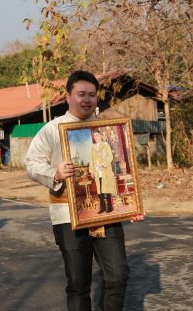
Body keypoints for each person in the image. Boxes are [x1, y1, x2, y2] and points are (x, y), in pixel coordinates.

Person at [26, 70, 144, 311]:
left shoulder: (108, 129)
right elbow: (32, 164)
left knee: (118, 275)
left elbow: (122, 167)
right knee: (79, 284)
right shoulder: (52, 129)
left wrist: (129, 206)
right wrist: (56, 173)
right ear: (68, 97)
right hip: (67, 215)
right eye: (81, 94)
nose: (87, 100)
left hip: (106, 213)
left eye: (92, 94)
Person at [89, 129, 118, 214]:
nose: (95, 137)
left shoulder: (106, 145)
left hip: (105, 171)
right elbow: (91, 160)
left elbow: (110, 157)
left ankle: (110, 207)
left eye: (97, 135)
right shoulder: (92, 147)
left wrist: (104, 164)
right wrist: (92, 171)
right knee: (99, 191)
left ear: (101, 136)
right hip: (97, 172)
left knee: (107, 189)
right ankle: (103, 207)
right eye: (94, 136)